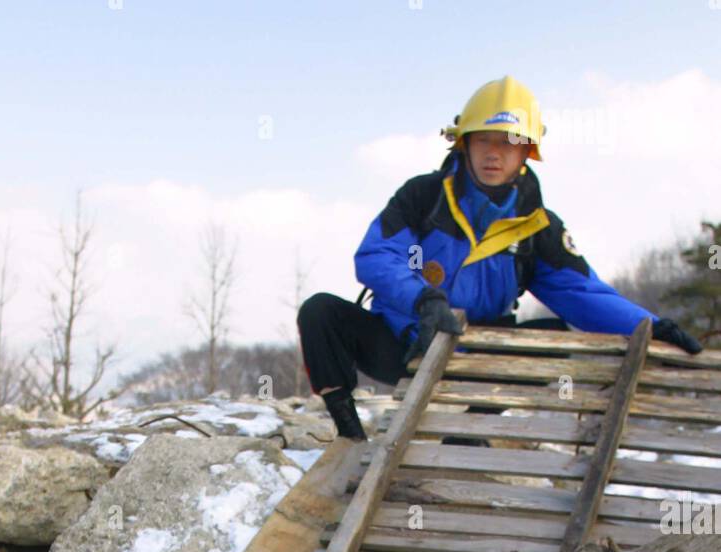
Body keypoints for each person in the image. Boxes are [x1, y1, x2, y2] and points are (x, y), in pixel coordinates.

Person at [297, 76, 703, 441]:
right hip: (405, 343)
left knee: (556, 334)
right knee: (319, 312)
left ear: (527, 151)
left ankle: (470, 432)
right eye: (485, 139)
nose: (495, 153)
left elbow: (580, 291)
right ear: (464, 142)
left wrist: (651, 326)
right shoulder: (422, 197)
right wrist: (423, 300)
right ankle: (349, 435)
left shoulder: (537, 226)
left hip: (481, 354)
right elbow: (376, 256)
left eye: (509, 142)